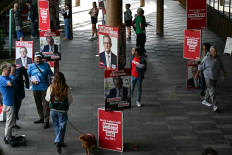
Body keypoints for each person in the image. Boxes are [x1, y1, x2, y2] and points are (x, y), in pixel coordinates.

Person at [45, 72, 73, 154]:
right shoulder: (66, 88)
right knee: (62, 125)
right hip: (62, 110)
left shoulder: (51, 87)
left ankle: (59, 141)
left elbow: (47, 99)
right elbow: (70, 100)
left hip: (53, 109)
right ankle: (59, 141)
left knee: (56, 125)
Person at [195, 46, 227, 112]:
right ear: (210, 52)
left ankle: (205, 100)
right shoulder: (206, 59)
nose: (215, 52)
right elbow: (200, 66)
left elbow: (221, 65)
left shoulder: (218, 58)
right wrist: (196, 74)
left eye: (216, 51)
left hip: (215, 76)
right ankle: (215, 106)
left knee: (210, 89)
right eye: (214, 51)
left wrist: (224, 72)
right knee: (212, 91)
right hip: (208, 77)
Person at [27, 52, 54, 128]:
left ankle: (46, 121)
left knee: (46, 105)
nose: (38, 60)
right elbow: (28, 75)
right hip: (35, 89)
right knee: (38, 104)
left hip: (45, 88)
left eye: (39, 58)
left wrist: (52, 84)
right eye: (36, 58)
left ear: (42, 58)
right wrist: (32, 81)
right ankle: (41, 118)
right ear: (34, 59)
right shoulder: (31, 66)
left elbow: (51, 75)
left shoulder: (46, 65)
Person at [9, 64, 29, 129]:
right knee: (12, 111)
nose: (14, 71)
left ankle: (14, 123)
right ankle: (11, 124)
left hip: (18, 95)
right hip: (11, 96)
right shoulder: (8, 77)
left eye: (15, 70)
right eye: (12, 70)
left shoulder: (18, 74)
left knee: (16, 109)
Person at [0, 63, 15, 144]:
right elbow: (11, 83)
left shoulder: (6, 77)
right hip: (8, 103)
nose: (9, 72)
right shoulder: (2, 79)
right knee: (9, 122)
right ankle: (7, 138)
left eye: (10, 70)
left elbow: (12, 79)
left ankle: (8, 135)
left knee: (10, 121)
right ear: (4, 70)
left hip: (9, 102)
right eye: (8, 70)